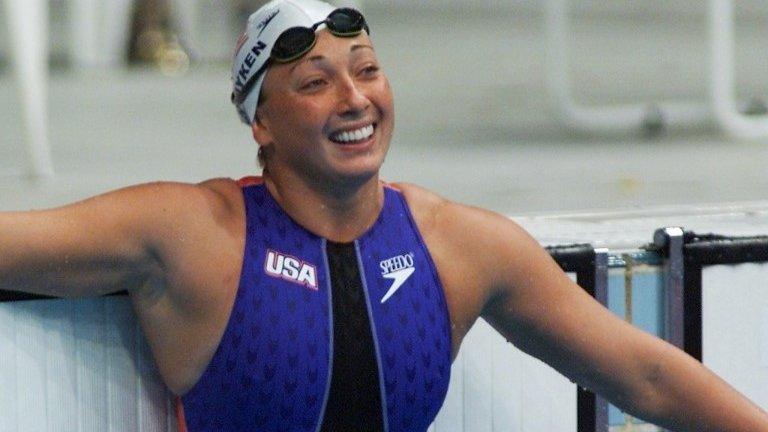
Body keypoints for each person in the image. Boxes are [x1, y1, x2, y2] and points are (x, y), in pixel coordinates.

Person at [2, 0, 768, 430]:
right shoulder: (192, 234)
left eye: (367, 70)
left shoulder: (459, 246)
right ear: (260, 122)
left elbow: (647, 375)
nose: (354, 99)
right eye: (315, 83)